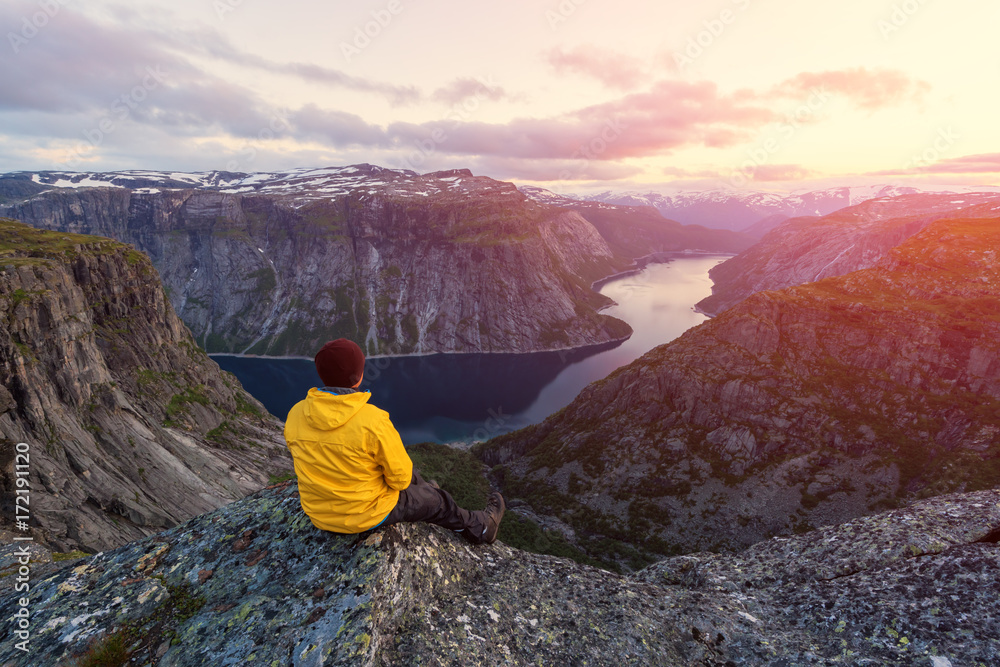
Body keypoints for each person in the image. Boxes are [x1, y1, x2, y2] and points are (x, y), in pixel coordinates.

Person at [283, 338, 505, 544]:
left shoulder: (296, 413)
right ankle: (484, 528)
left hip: (319, 514)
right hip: (366, 515)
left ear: (321, 374)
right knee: (439, 502)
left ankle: (426, 491)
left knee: (414, 478)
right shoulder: (372, 420)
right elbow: (399, 481)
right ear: (359, 375)